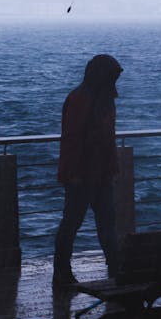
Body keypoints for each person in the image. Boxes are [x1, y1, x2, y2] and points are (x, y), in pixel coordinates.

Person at [53, 54, 123, 287]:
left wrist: (111, 169)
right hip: (81, 177)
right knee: (73, 224)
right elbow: (72, 141)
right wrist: (73, 175)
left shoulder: (100, 99)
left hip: (100, 175)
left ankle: (116, 270)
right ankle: (62, 273)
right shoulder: (80, 100)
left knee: (103, 225)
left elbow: (107, 140)